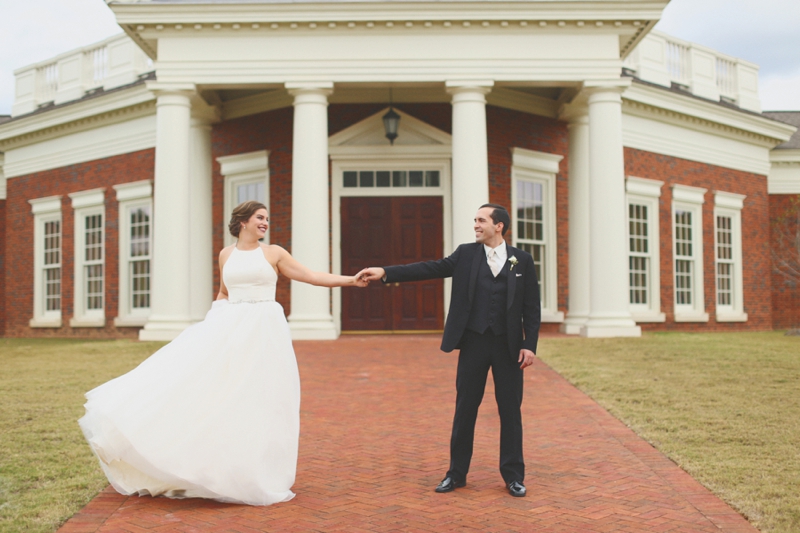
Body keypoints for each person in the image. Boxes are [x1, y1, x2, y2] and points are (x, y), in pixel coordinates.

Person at [79, 201, 367, 506]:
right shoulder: (225, 254)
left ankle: (257, 473)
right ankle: (204, 467)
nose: (265, 223)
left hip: (264, 330)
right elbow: (224, 293)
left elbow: (309, 275)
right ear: (242, 221)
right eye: (260, 218)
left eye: (267, 219)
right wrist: (212, 324)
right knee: (217, 391)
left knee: (263, 397)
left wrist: (349, 280)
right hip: (230, 326)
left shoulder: (274, 253)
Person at [357, 204, 540, 497]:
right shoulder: (466, 255)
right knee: (465, 409)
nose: (476, 225)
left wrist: (529, 345)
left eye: (482, 220)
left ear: (499, 226)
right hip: (473, 343)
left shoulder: (523, 260)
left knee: (510, 411)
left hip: (508, 347)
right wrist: (385, 272)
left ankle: (513, 476)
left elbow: (531, 306)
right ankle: (456, 474)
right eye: (475, 220)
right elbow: (429, 267)